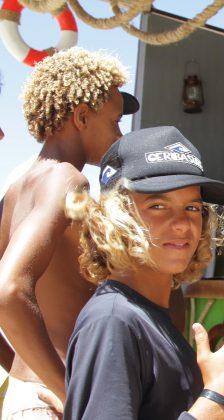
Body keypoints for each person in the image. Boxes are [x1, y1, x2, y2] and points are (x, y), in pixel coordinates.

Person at [63, 126, 224, 419]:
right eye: (157, 205)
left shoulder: (148, 315)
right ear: (116, 217)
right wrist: (221, 398)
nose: (182, 223)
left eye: (192, 207)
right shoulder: (113, 322)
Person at [0, 47, 140, 418]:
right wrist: (68, 391)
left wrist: (22, 369)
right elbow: (7, 291)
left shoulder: (18, 187)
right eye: (114, 122)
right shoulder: (68, 179)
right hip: (55, 401)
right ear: (81, 117)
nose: (119, 134)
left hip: (29, 394)